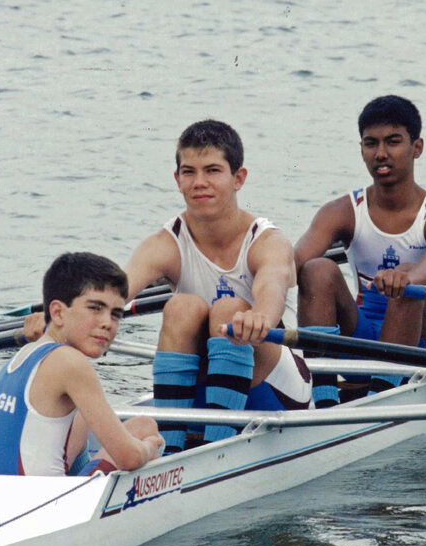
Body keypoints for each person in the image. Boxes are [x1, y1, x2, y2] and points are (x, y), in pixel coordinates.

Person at [123, 119, 312, 450]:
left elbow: (273, 287)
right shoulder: (165, 243)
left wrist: (261, 318)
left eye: (212, 171)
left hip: (276, 390)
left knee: (228, 312)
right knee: (181, 308)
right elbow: (114, 290)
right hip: (208, 385)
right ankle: (171, 449)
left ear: (238, 178)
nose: (199, 183)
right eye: (189, 172)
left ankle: (215, 450)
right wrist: (61, 319)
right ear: (177, 179)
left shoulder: (267, 240)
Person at [294, 95, 426, 405]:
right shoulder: (341, 211)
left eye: (393, 142)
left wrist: (407, 279)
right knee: (316, 270)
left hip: (423, 348)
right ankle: (324, 403)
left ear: (417, 147)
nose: (381, 153)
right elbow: (293, 262)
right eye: (371, 143)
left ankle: (382, 399)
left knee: (410, 279)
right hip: (362, 340)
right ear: (361, 149)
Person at [0, 252, 165, 475]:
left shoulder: (25, 353)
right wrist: (149, 448)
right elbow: (129, 457)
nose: (107, 323)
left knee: (76, 420)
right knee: (146, 429)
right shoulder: (71, 362)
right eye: (95, 308)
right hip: (47, 503)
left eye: (116, 314)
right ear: (57, 313)